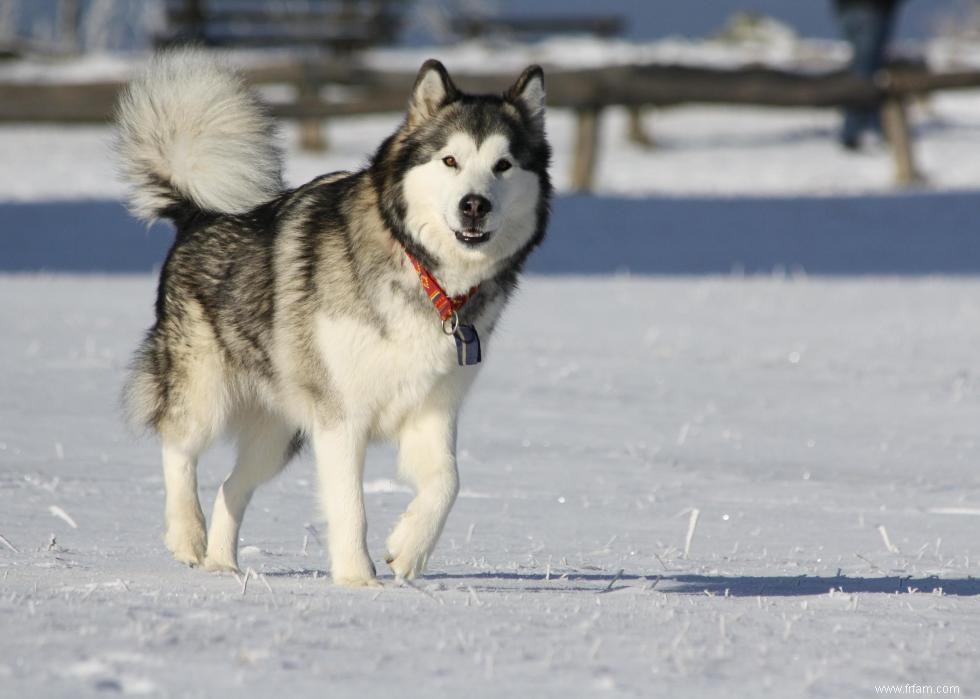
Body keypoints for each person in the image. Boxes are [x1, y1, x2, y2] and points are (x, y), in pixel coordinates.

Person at [832, 0, 904, 150]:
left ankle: (868, 125)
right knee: (866, 70)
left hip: (849, 8)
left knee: (865, 67)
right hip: (872, 8)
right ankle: (858, 129)